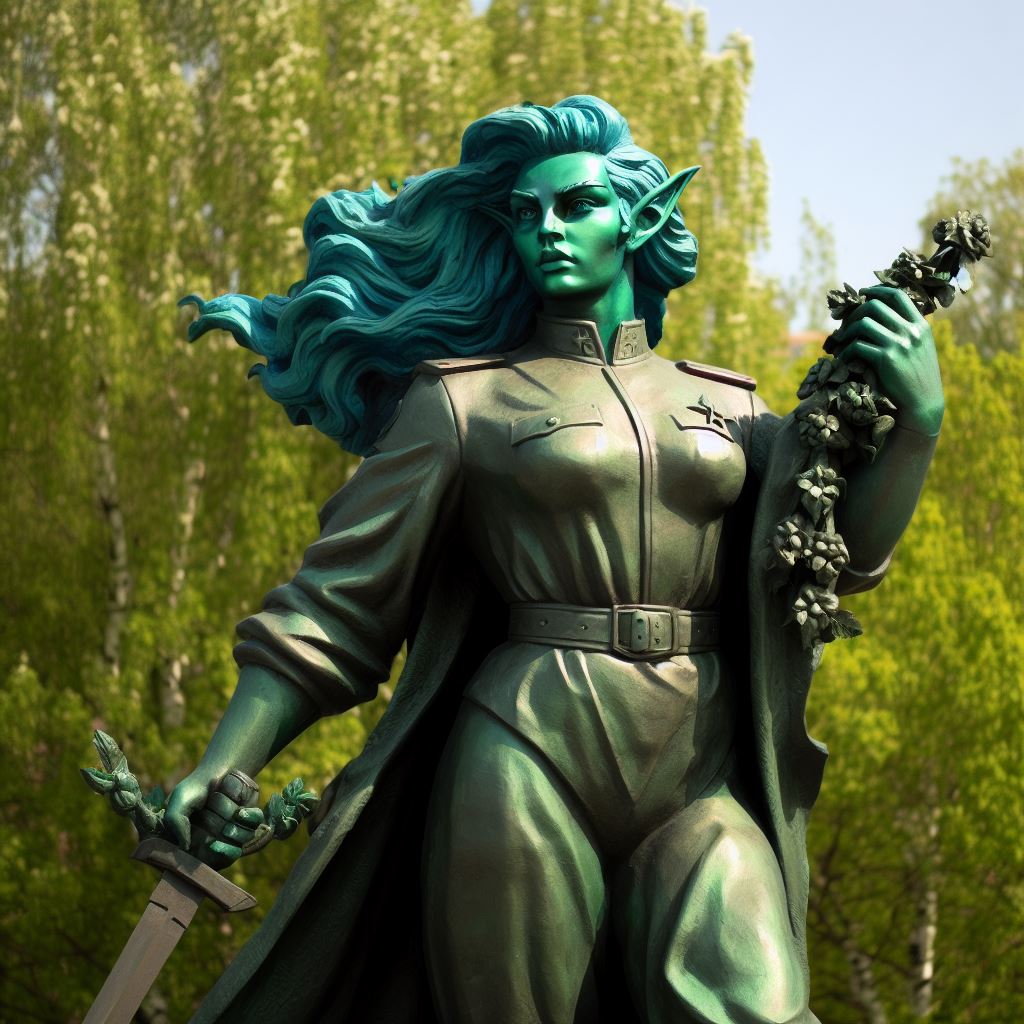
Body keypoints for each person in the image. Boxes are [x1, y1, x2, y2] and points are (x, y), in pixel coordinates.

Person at [169, 96, 944, 1023]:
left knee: (761, 1007)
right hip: (525, 747)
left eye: (575, 206)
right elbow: (337, 606)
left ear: (641, 219)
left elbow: (830, 561)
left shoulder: (732, 407)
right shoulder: (462, 403)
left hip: (699, 767)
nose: (546, 229)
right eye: (525, 213)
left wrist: (917, 427)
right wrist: (227, 761)